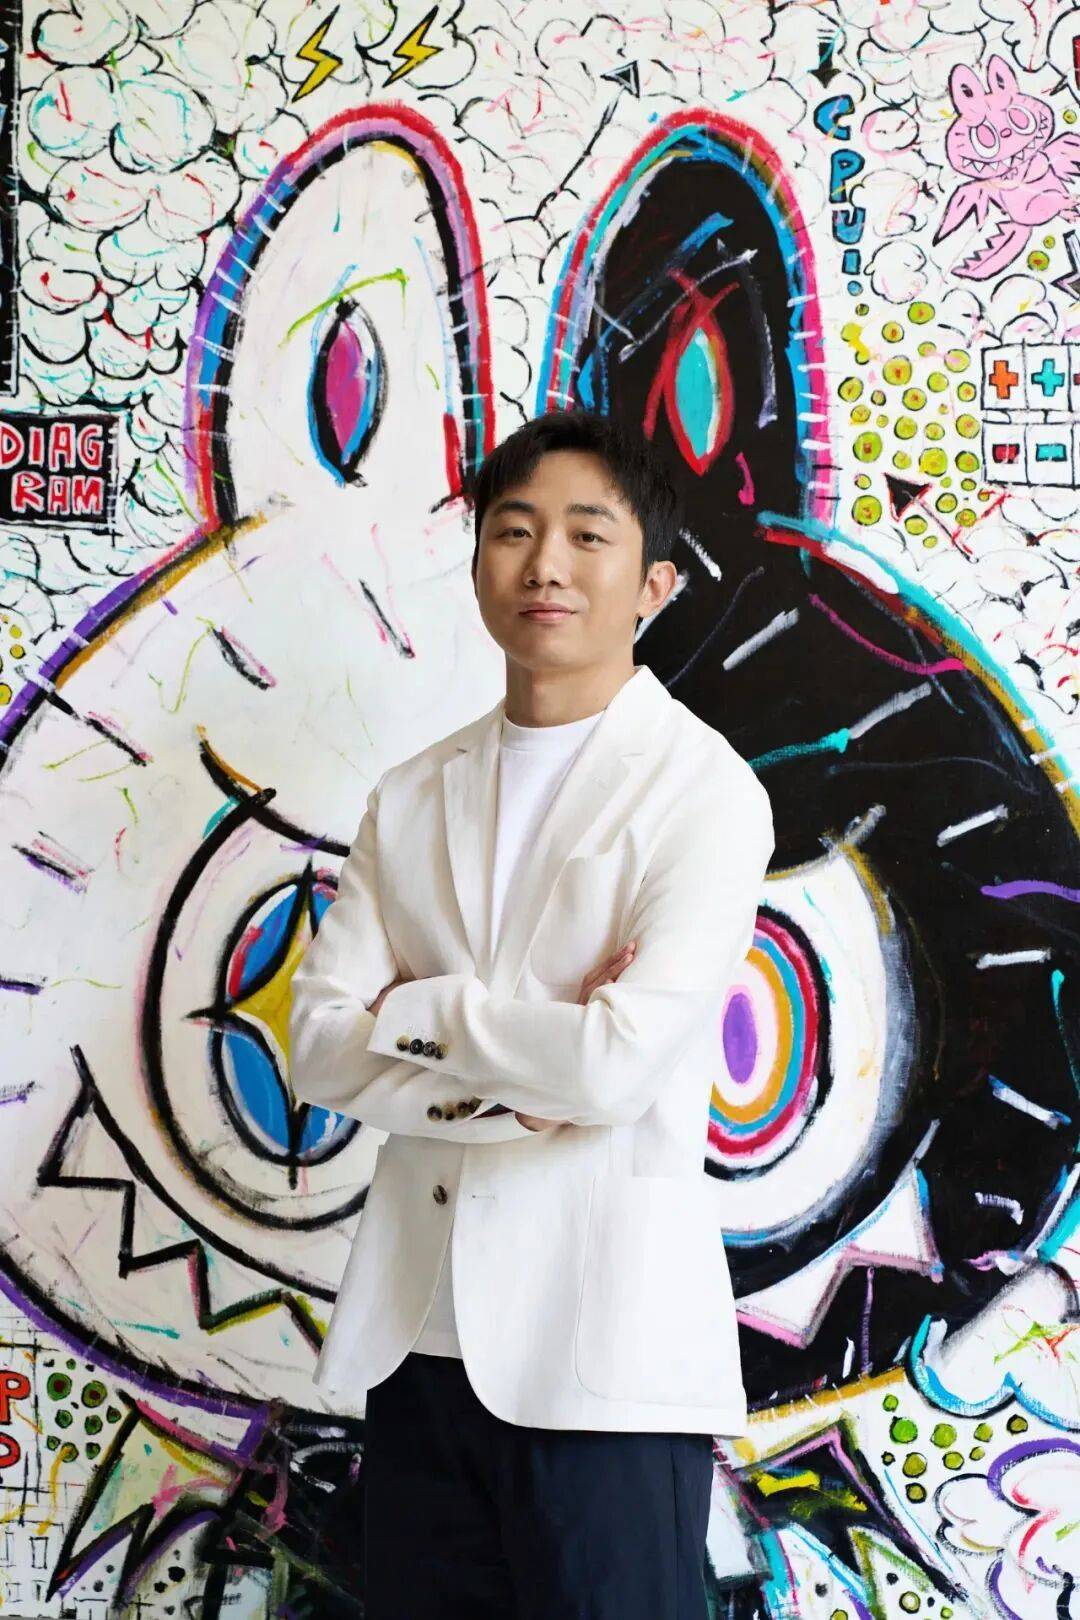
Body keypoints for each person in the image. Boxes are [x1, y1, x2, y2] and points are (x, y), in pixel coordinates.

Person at [288, 407, 775, 1618]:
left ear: (653, 584)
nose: (545, 563)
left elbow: (612, 1070)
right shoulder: (413, 793)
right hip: (419, 1343)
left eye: (587, 535)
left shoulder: (705, 794)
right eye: (514, 531)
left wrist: (424, 1009)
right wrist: (525, 1067)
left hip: (605, 1359)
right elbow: (320, 1046)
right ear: (478, 566)